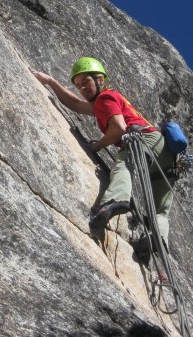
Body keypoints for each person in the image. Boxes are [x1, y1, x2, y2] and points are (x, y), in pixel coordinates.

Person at [32, 57, 176, 248]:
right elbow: (75, 104)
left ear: (99, 80)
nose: (82, 88)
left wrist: (96, 146)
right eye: (78, 85)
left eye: (86, 82)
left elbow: (118, 128)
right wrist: (50, 81)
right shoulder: (104, 101)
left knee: (124, 165)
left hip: (145, 141)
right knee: (161, 210)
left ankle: (116, 200)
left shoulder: (105, 98)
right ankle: (158, 243)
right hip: (168, 156)